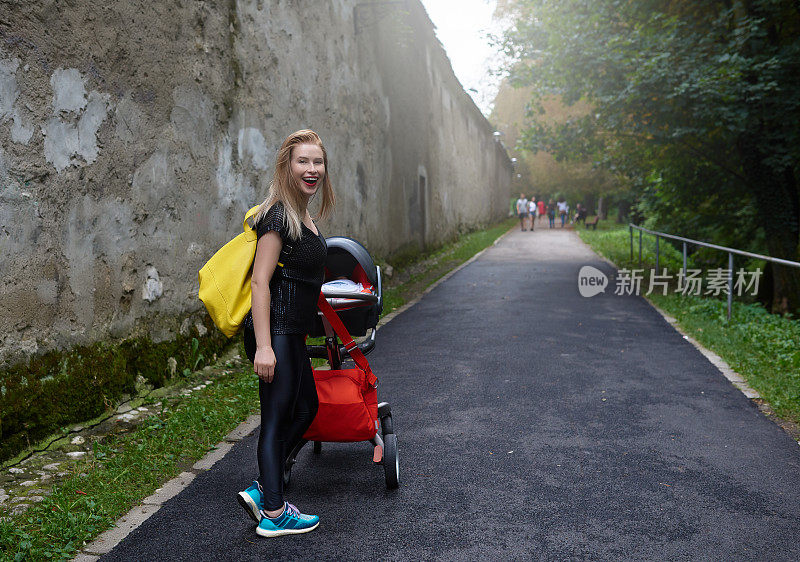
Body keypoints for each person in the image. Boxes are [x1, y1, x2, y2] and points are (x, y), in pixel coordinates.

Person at [238, 129, 335, 537]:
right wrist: (263, 347)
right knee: (276, 418)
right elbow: (261, 283)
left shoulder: (304, 214)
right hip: (274, 332)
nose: (312, 169)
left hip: (292, 332)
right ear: (287, 166)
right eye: (303, 162)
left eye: (318, 162)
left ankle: (266, 487)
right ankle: (274, 513)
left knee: (306, 409)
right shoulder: (277, 215)